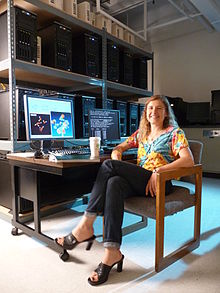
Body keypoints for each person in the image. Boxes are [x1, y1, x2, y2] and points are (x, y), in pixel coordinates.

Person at [55, 95, 194, 286]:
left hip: (162, 181)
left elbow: (188, 160)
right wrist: (117, 153)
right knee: (114, 183)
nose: (154, 112)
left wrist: (159, 170)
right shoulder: (141, 134)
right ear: (146, 113)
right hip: (141, 181)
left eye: (159, 108)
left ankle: (85, 226)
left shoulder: (174, 133)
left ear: (166, 113)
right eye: (150, 108)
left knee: (109, 167)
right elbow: (120, 146)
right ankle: (112, 251)